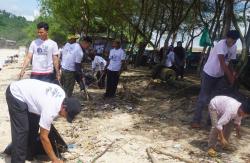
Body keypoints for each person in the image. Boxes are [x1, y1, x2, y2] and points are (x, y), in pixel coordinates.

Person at [5, 79, 81, 163]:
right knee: (22, 131)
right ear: (64, 108)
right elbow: (43, 137)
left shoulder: (62, 95)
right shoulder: (51, 109)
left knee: (33, 127)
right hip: (16, 93)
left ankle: (28, 154)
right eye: (66, 115)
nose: (64, 117)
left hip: (28, 94)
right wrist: (54, 160)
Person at [191, 30, 240, 128]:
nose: (233, 43)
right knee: (203, 98)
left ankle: (211, 122)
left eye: (235, 41)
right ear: (227, 37)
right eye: (231, 40)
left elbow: (229, 62)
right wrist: (230, 77)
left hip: (219, 76)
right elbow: (222, 63)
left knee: (215, 100)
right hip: (209, 73)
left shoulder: (234, 47)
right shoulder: (221, 44)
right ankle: (196, 121)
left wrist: (233, 73)